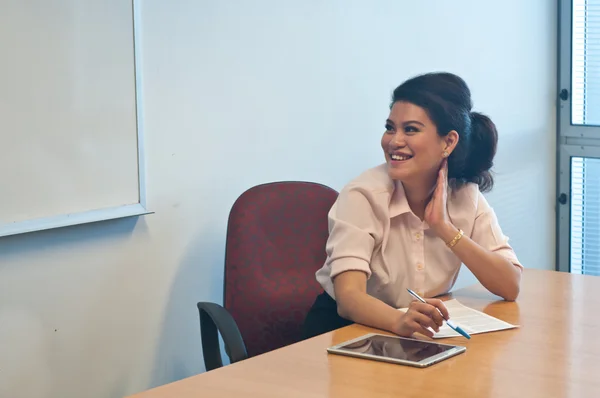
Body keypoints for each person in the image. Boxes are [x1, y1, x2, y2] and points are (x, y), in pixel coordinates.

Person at [302, 72, 523, 340]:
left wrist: (443, 227)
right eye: (390, 128)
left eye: (411, 129)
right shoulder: (363, 195)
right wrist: (400, 321)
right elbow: (349, 298)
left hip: (413, 335)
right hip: (345, 332)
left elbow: (510, 285)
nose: (394, 141)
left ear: (448, 142)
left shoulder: (465, 195)